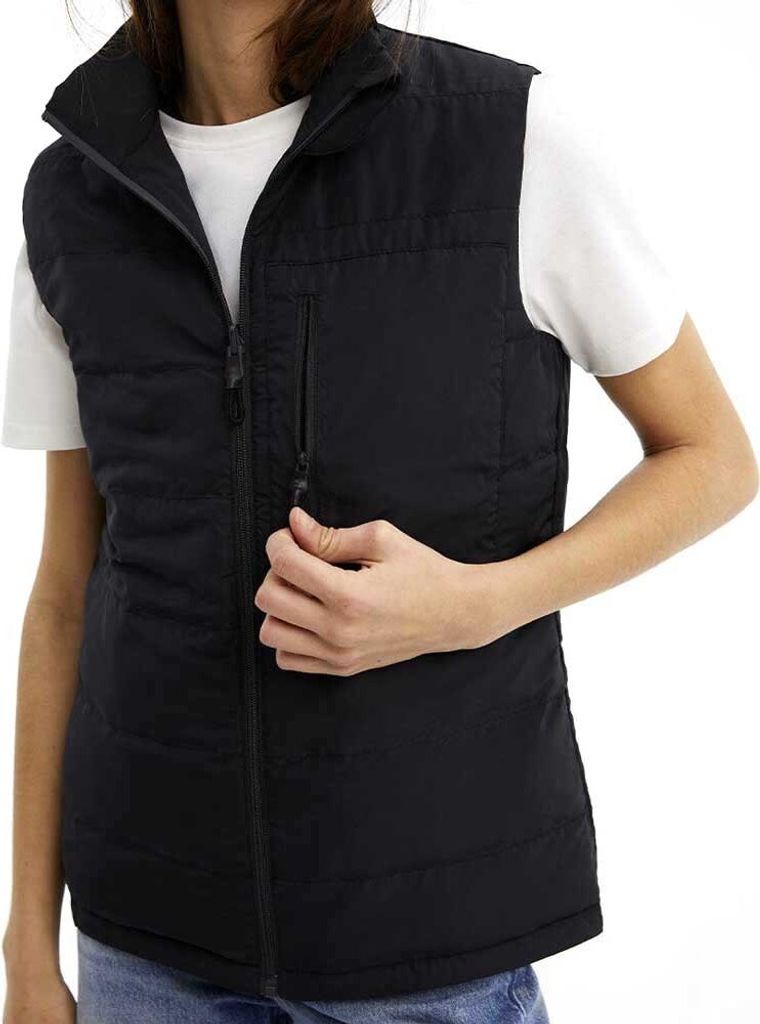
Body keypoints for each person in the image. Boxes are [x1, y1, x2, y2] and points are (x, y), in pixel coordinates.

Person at [2, 2, 757, 1022]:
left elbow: (712, 456)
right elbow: (65, 591)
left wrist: (483, 603)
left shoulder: (506, 138)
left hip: (428, 947)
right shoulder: (74, 192)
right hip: (147, 943)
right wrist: (27, 943)